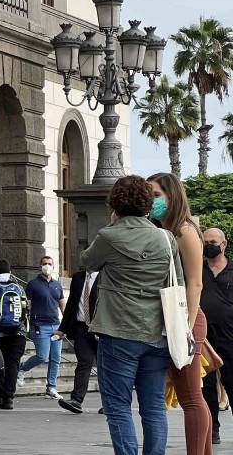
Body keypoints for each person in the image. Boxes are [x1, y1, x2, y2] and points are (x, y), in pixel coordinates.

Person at [82, 175, 182, 455]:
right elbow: (179, 283)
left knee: (118, 407)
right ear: (148, 204)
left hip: (118, 331)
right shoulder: (166, 238)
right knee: (153, 409)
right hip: (158, 333)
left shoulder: (109, 236)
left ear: (114, 203)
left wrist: (113, 226)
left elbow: (87, 262)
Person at [150, 172, 209, 455]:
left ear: (172, 197)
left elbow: (195, 283)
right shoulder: (165, 229)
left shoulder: (184, 230)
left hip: (184, 319)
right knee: (192, 398)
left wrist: (185, 327)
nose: (151, 201)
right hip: (176, 319)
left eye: (156, 195)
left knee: (190, 398)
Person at [55, 265, 100, 414]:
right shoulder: (78, 277)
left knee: (106, 367)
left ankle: (110, 403)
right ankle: (76, 400)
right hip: (81, 328)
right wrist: (63, 328)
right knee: (83, 363)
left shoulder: (106, 276)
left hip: (101, 329)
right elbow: (72, 305)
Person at [202, 228, 233, 445]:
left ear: (224, 244)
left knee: (231, 381)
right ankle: (212, 428)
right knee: (206, 386)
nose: (209, 245)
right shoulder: (196, 269)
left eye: (213, 241)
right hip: (204, 337)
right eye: (205, 241)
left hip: (229, 337)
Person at [20, 255, 65, 400]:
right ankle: (22, 369)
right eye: (44, 263)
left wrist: (66, 325)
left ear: (53, 266)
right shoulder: (33, 284)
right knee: (42, 356)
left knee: (56, 358)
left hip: (56, 325)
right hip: (40, 325)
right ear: (40, 266)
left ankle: (51, 388)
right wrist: (28, 323)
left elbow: (62, 304)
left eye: (50, 264)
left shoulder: (57, 284)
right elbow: (27, 304)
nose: (47, 266)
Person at [0, 260, 28, 410]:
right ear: (10, 270)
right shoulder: (19, 288)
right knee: (13, 365)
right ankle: (9, 398)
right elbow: (26, 309)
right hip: (18, 332)